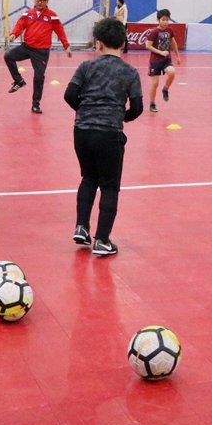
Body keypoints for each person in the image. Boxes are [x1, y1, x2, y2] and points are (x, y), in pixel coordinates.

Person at [64, 18, 143, 257]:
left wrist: (85, 111)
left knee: (88, 177)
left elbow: (69, 95)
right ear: (123, 43)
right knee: (110, 186)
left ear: (98, 43)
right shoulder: (130, 72)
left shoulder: (86, 67)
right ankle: (102, 240)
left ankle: (81, 227)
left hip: (82, 131)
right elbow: (137, 107)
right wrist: (121, 116)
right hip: (109, 133)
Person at [5, 0, 71, 114]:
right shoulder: (27, 14)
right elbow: (20, 25)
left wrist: (66, 46)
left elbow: (60, 31)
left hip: (41, 52)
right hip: (27, 47)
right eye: (38, 0)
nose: (40, 2)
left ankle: (35, 104)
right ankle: (19, 81)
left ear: (47, 1)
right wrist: (14, 34)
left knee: (39, 77)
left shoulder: (52, 16)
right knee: (8, 56)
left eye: (43, 0)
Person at [144, 9, 180, 113]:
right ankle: (152, 104)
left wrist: (177, 55)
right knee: (155, 83)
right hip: (155, 61)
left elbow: (173, 43)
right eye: (163, 20)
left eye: (167, 20)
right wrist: (160, 52)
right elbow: (148, 46)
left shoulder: (169, 31)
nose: (165, 22)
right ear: (158, 20)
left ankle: (165, 89)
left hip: (166, 60)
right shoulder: (154, 32)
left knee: (172, 72)